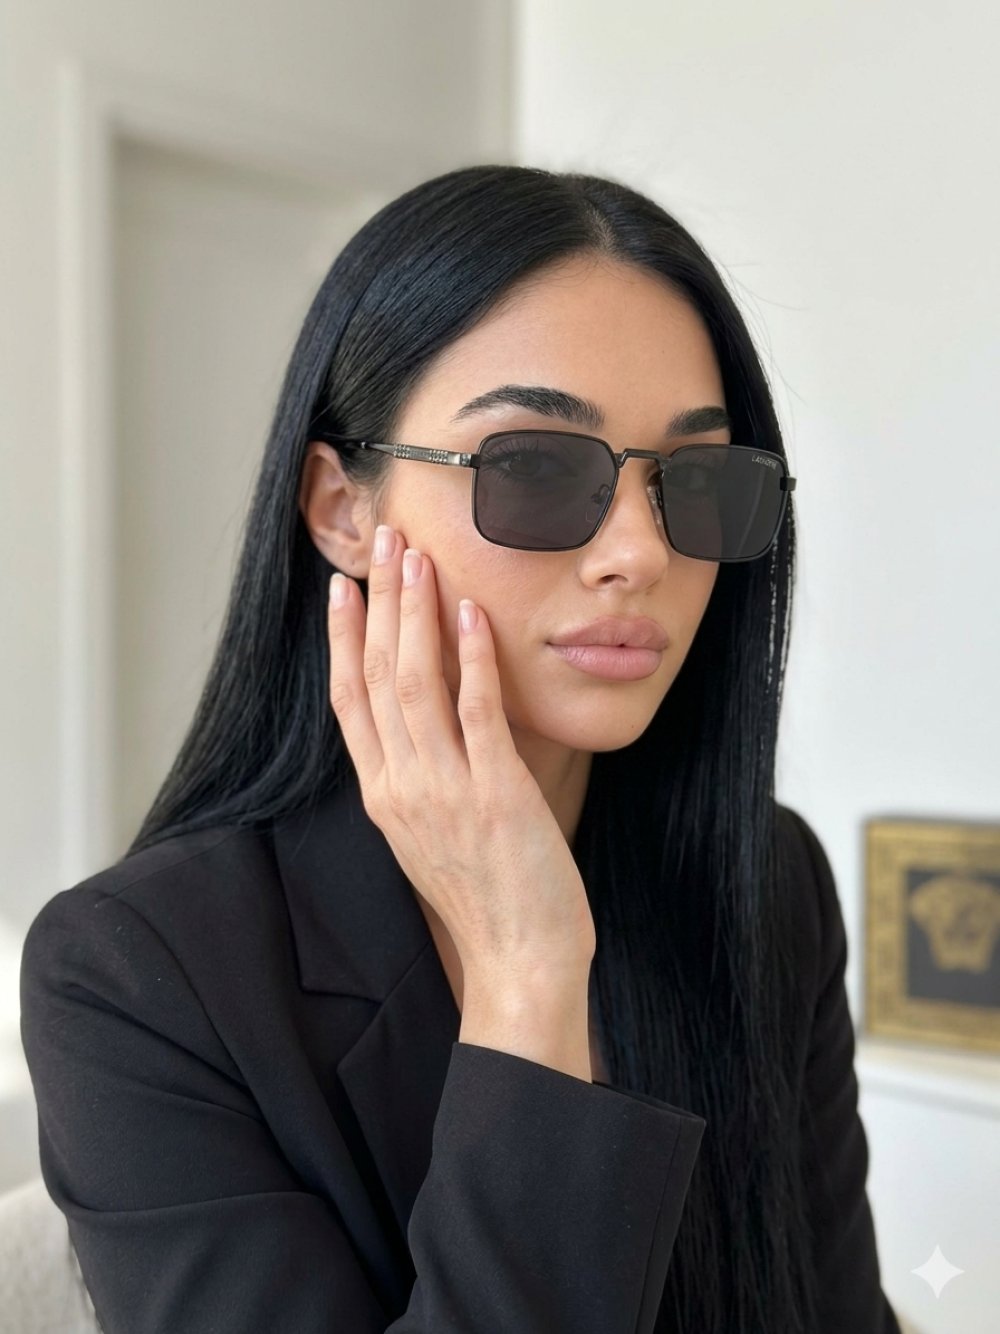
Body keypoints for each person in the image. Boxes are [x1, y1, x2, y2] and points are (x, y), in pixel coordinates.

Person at [19, 164, 902, 1333]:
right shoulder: (138, 972)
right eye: (532, 465)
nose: (639, 552)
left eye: (694, 478)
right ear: (342, 508)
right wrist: (528, 970)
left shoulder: (764, 876)